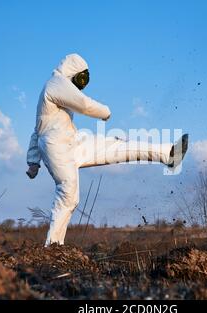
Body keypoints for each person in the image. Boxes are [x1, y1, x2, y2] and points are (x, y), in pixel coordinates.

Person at [26, 53, 188, 246]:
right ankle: (53, 246)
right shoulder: (56, 83)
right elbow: (83, 104)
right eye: (81, 78)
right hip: (57, 147)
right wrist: (105, 112)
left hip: (72, 141)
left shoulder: (55, 87)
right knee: (68, 194)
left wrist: (33, 162)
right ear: (72, 72)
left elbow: (36, 131)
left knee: (118, 145)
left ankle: (168, 154)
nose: (82, 83)